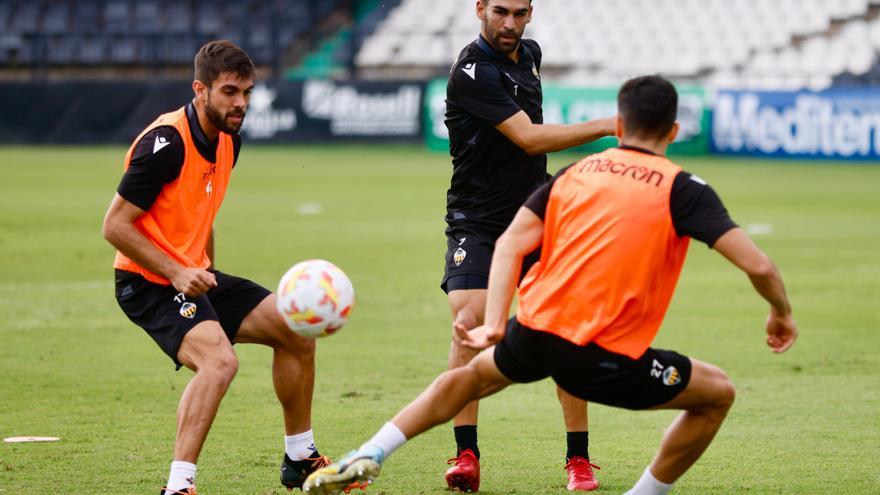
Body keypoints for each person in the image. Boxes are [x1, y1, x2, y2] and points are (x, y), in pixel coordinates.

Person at [302, 75, 798, 495]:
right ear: (673, 130)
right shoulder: (681, 187)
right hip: (602, 356)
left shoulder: (574, 174)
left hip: (534, 333)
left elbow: (512, 243)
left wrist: (496, 324)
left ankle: (371, 450)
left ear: (618, 125)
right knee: (717, 394)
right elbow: (759, 267)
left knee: (467, 379)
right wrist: (780, 312)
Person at [102, 41, 341, 495]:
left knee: (296, 328)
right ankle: (178, 486)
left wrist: (207, 273)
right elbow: (115, 225)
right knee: (219, 363)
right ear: (200, 89)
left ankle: (300, 458)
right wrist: (177, 272)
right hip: (146, 281)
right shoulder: (165, 142)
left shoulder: (230, 139)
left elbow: (199, 214)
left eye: (247, 92)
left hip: (193, 276)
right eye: (230, 92)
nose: (241, 103)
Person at [440, 0, 615, 491]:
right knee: (468, 324)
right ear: (480, 9)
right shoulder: (472, 71)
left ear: (531, 12)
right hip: (477, 220)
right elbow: (530, 139)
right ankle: (466, 454)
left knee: (565, 328)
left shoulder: (529, 55)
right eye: (500, 11)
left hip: (536, 216)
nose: (510, 23)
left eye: (520, 12)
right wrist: (606, 125)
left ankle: (578, 460)